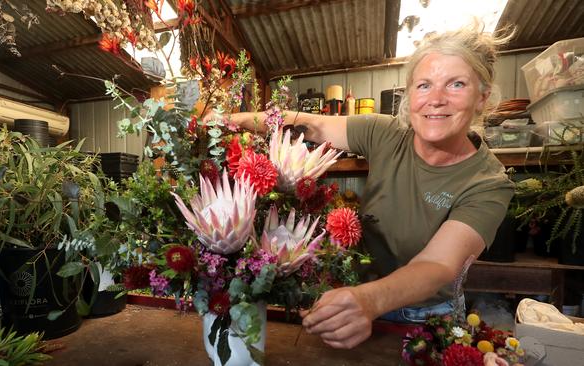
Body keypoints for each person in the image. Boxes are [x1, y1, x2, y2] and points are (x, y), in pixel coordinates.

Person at [217, 24, 515, 349]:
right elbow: (311, 123)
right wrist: (229, 121)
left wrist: (369, 301)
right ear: (410, 93)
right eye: (424, 85)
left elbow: (438, 263)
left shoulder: (488, 183)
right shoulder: (385, 134)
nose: (436, 100)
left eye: (456, 84)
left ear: (482, 97)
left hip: (426, 316)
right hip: (360, 300)